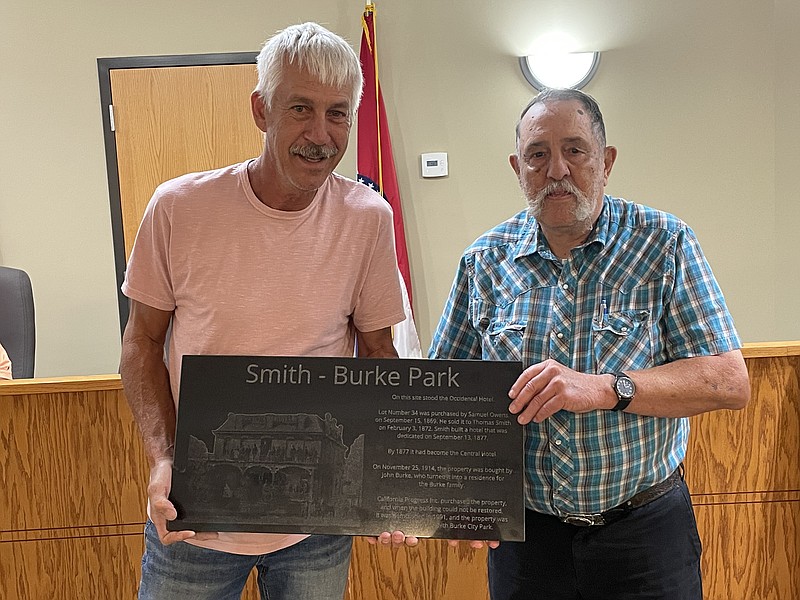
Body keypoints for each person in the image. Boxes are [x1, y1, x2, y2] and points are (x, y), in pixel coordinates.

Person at [119, 22, 412, 600]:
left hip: (316, 527)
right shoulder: (178, 207)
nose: (320, 134)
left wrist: (387, 479)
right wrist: (165, 458)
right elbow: (141, 344)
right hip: (196, 521)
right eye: (300, 108)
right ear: (261, 109)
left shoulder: (368, 218)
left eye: (338, 113)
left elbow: (379, 354)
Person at [428, 88, 750, 600]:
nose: (556, 169)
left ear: (606, 161)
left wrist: (604, 388)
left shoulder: (665, 244)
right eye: (538, 154)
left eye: (575, 150)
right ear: (518, 167)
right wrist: (456, 497)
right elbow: (440, 394)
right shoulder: (483, 262)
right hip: (528, 544)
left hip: (645, 536)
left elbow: (729, 381)